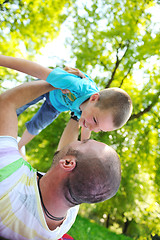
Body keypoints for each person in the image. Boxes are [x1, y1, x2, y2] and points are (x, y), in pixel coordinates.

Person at [0, 67, 121, 239]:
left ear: (68, 163)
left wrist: (56, 83)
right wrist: (76, 112)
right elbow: (64, 154)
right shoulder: (66, 216)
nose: (81, 138)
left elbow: (6, 103)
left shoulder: (8, 179)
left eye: (84, 142)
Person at [0, 55, 132, 151]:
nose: (92, 128)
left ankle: (18, 147)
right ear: (93, 99)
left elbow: (86, 134)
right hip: (49, 87)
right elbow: (37, 69)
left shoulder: (90, 113)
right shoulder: (75, 85)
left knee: (37, 125)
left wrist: (84, 146)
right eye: (95, 121)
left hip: (56, 106)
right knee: (15, 105)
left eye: (100, 129)